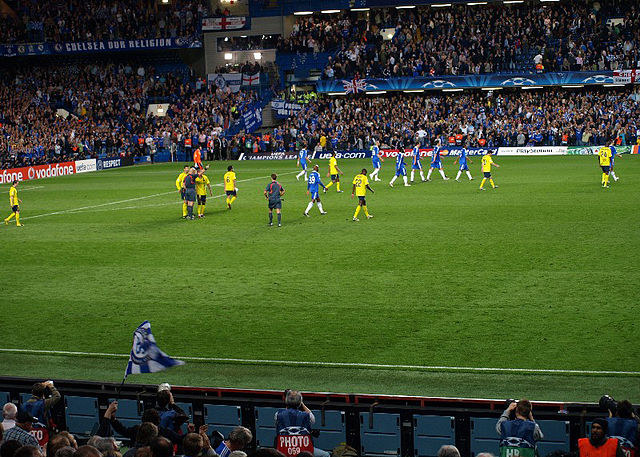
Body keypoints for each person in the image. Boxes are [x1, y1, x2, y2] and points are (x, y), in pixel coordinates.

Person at [275, 391, 329, 457]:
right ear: (300, 402)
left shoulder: (278, 415)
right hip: (305, 451)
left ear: (286, 402)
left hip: (283, 452)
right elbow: (313, 419)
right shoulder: (306, 415)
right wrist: (301, 403)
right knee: (326, 455)